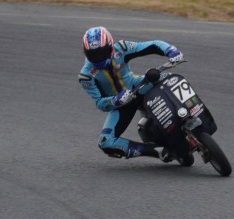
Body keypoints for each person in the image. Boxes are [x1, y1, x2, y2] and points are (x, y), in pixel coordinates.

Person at [78, 26, 183, 160]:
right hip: (120, 105)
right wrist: (115, 100)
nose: (98, 58)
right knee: (105, 142)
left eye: (102, 52)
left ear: (110, 46)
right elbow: (99, 103)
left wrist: (170, 50)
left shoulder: (121, 48)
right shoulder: (86, 76)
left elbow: (153, 45)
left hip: (139, 86)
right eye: (93, 54)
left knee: (169, 78)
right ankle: (155, 151)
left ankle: (191, 110)